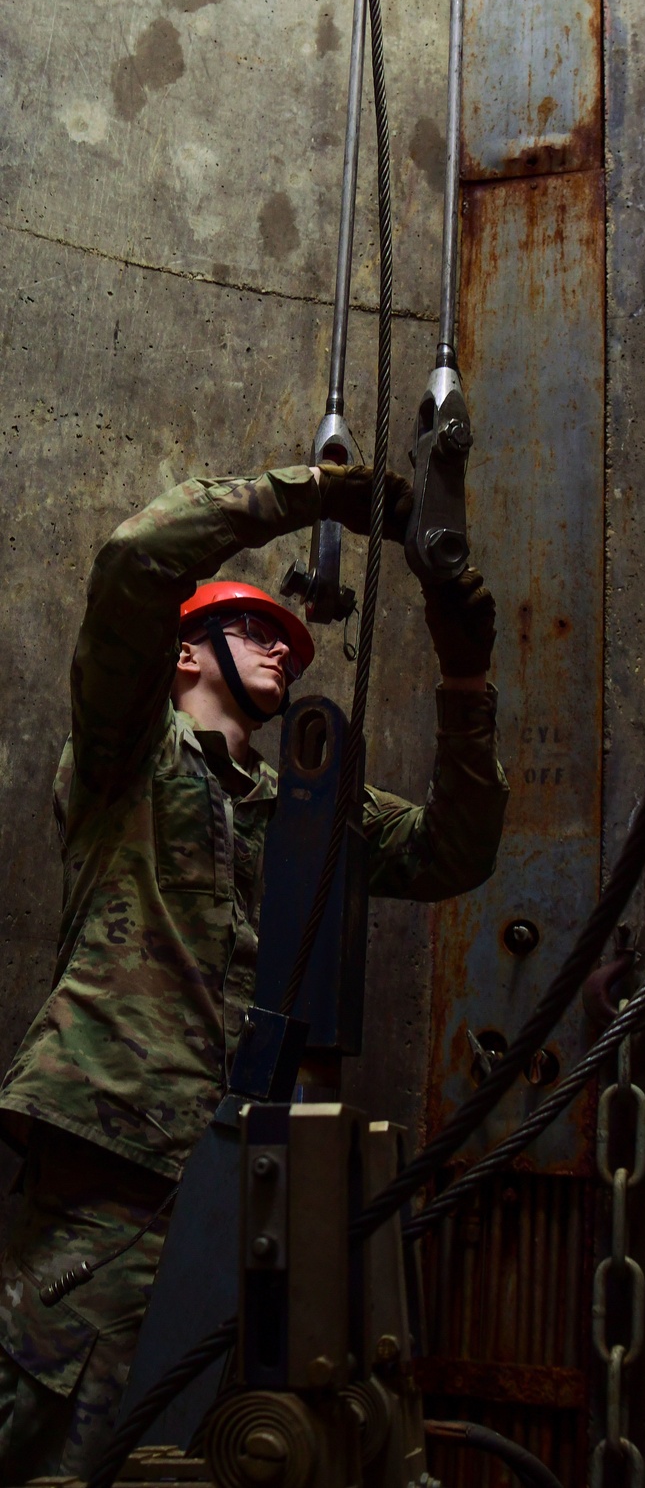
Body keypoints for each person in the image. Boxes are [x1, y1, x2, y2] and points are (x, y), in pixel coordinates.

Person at [0, 461, 508, 1479]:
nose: (285, 645)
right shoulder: (124, 757)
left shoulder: (302, 805)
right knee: (50, 1441)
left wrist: (463, 678)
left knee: (201, 1452)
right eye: (255, 629)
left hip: (246, 1179)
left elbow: (454, 851)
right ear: (184, 651)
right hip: (112, 1170)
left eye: (293, 640)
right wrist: (316, 494)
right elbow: (137, 561)